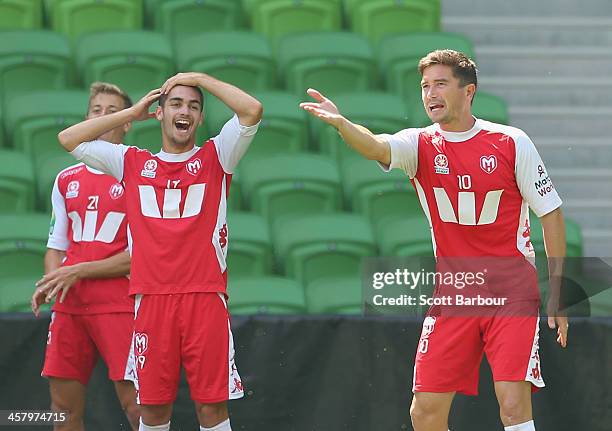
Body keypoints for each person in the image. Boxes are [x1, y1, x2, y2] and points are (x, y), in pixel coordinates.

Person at [300, 49, 568, 431]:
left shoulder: (511, 142)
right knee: (424, 412)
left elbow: (551, 212)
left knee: (512, 404)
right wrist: (343, 124)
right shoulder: (419, 144)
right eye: (425, 86)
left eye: (440, 84)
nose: (430, 94)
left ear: (468, 91)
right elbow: (376, 145)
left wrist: (558, 291)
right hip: (454, 293)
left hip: (511, 292)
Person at [56, 72, 262, 431]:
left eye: (194, 106)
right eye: (176, 104)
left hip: (204, 298)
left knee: (212, 411)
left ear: (199, 119)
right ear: (160, 113)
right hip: (151, 301)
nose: (185, 111)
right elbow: (68, 138)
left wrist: (197, 78)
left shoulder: (218, 156)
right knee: (152, 412)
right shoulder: (131, 162)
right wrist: (129, 113)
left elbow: (252, 109)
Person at [32, 82, 139, 430]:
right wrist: (52, 281)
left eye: (113, 111)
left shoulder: (139, 173)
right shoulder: (66, 179)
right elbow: (56, 246)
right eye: (97, 111)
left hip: (119, 303)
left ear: (127, 122)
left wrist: (76, 271)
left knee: (139, 408)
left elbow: (140, 258)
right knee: (61, 411)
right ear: (86, 118)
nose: (103, 117)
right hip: (70, 305)